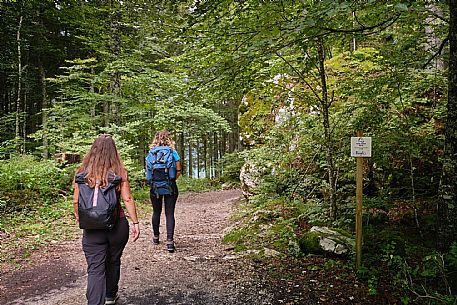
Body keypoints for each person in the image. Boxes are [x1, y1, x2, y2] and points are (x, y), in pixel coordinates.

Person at [72, 134, 140, 305]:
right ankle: (110, 296)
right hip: (117, 226)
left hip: (92, 229)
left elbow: (75, 200)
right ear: (113, 151)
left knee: (95, 268)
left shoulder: (81, 173)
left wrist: (81, 217)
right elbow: (128, 199)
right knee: (113, 260)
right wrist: (135, 222)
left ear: (93, 150)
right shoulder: (119, 172)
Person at [146, 130, 182, 253]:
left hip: (155, 187)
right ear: (169, 139)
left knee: (156, 212)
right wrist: (171, 180)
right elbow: (178, 170)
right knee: (169, 213)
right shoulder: (173, 153)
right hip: (170, 186)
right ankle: (170, 242)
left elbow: (149, 173)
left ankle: (156, 237)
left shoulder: (151, 153)